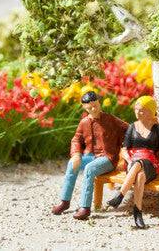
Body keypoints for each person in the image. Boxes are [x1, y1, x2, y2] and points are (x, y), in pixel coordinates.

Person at [52, 90, 128, 221]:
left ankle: (85, 208)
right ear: (84, 107)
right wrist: (76, 154)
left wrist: (125, 147)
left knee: (89, 169)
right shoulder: (84, 122)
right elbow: (76, 139)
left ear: (99, 103)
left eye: (96, 105)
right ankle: (65, 201)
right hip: (90, 156)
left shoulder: (110, 119)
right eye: (90, 107)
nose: (93, 108)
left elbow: (129, 129)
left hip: (107, 158)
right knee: (71, 164)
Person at [107, 95, 159, 229]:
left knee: (140, 165)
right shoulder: (132, 127)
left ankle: (120, 195)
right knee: (139, 176)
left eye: (142, 110)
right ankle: (137, 213)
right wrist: (128, 158)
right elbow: (125, 148)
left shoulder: (156, 129)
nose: (137, 113)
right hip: (133, 163)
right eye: (136, 109)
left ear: (151, 112)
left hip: (151, 163)